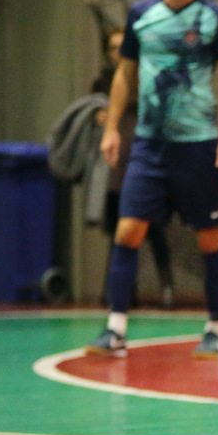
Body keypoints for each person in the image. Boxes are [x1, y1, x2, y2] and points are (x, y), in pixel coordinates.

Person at [85, 0, 218, 359]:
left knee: (209, 237)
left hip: (199, 146)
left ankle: (216, 330)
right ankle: (116, 329)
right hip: (149, 146)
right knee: (127, 230)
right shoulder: (141, 15)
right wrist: (112, 128)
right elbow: (124, 74)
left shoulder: (215, 18)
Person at [92, 27, 176, 309]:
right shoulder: (102, 83)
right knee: (120, 232)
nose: (118, 52)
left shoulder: (150, 77)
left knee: (155, 231)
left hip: (148, 162)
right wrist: (99, 117)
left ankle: (167, 288)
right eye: (113, 47)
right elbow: (93, 111)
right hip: (116, 168)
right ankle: (121, 292)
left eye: (123, 46)